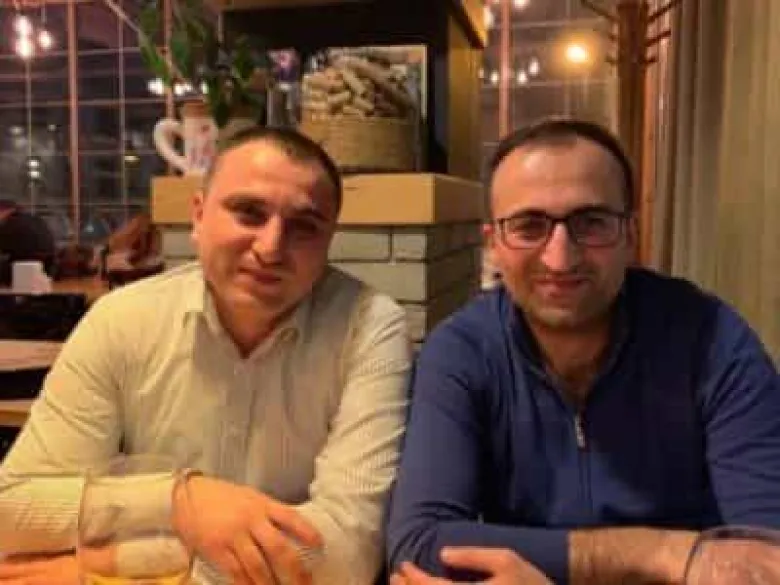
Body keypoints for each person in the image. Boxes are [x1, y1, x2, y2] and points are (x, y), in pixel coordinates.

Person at [0, 127, 412, 585]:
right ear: (198, 216)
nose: (271, 248)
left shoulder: (368, 327)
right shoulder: (121, 319)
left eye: (304, 227)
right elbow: (12, 508)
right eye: (249, 213)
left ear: (329, 240)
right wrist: (181, 501)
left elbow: (347, 555)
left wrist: (108, 564)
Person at [386, 118, 780, 585]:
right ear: (494, 245)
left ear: (630, 235)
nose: (560, 259)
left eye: (591, 223)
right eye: (529, 226)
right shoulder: (461, 351)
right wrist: (662, 552)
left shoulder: (712, 341)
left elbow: (766, 559)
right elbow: (419, 545)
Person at [0, 198, 56, 285]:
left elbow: (4, 248)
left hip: (21, 269)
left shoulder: (10, 224)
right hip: (47, 269)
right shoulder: (36, 220)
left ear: (3, 211)